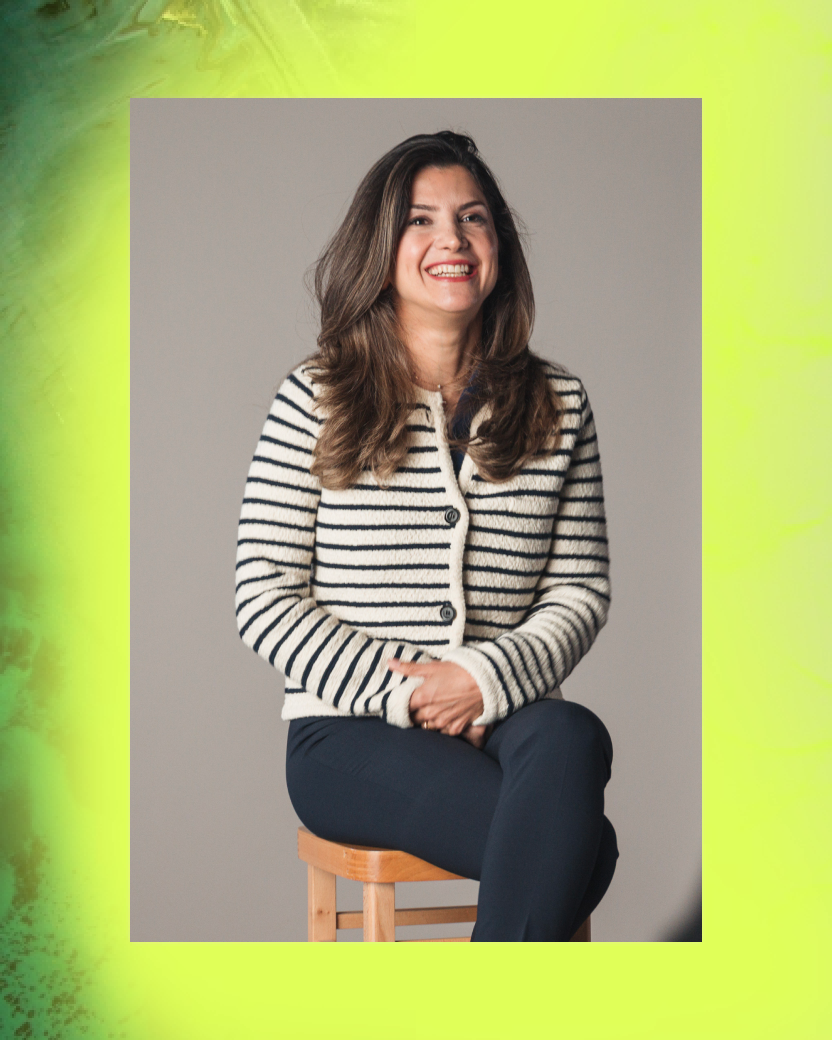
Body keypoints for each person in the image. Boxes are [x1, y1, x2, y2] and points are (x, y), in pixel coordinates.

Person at [235, 131, 617, 941]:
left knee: (573, 733)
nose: (452, 239)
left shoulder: (561, 403)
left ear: (498, 249)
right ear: (381, 247)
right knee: (582, 850)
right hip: (348, 731)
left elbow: (579, 588)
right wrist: (411, 692)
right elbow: (262, 594)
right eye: (421, 221)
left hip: (505, 718)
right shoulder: (317, 396)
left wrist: (481, 677)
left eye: (473, 219)